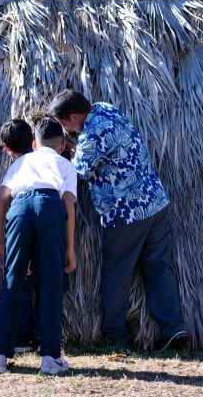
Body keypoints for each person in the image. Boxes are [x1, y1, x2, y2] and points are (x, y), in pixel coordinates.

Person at [49, 90, 188, 352]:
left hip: (125, 214)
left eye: (64, 123)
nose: (65, 130)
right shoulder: (106, 108)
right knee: (159, 268)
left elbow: (76, 174)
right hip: (155, 203)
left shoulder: (91, 137)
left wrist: (60, 154)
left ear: (75, 116)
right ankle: (174, 328)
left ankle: (115, 336)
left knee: (117, 274)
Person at [0, 116, 77, 375]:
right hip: (51, 207)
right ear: (60, 145)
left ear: (34, 143)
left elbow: (2, 199)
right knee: (52, 284)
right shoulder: (65, 165)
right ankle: (50, 358)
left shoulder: (22, 161)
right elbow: (69, 205)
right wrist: (70, 248)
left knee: (12, 282)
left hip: (20, 207)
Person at [0, 118, 40, 353]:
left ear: (6, 148)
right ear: (33, 142)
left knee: (21, 282)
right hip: (50, 219)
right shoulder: (45, 161)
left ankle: (22, 339)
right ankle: (44, 337)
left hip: (22, 222)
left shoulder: (16, 168)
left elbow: (2, 200)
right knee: (47, 282)